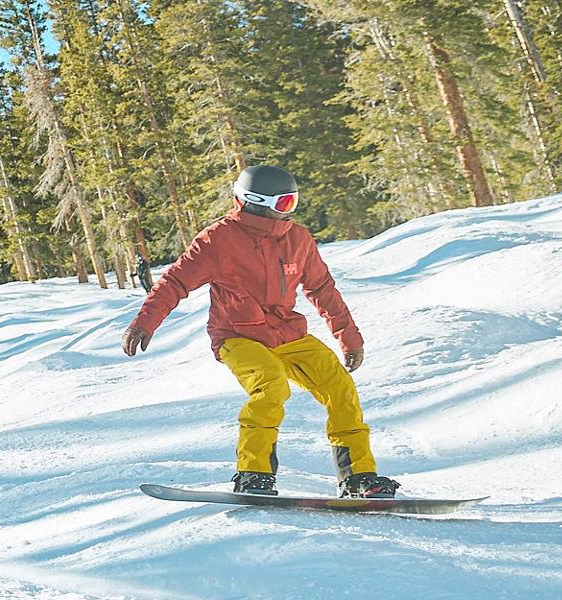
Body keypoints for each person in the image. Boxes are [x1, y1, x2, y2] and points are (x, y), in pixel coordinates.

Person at [122, 166, 399, 498]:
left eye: (293, 203)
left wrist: (348, 336)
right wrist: (144, 322)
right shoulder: (218, 240)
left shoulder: (297, 239)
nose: (289, 212)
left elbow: (322, 289)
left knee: (339, 386)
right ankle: (254, 474)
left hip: (287, 334)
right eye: (283, 204)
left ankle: (358, 477)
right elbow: (175, 281)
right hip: (237, 336)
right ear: (254, 201)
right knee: (270, 384)